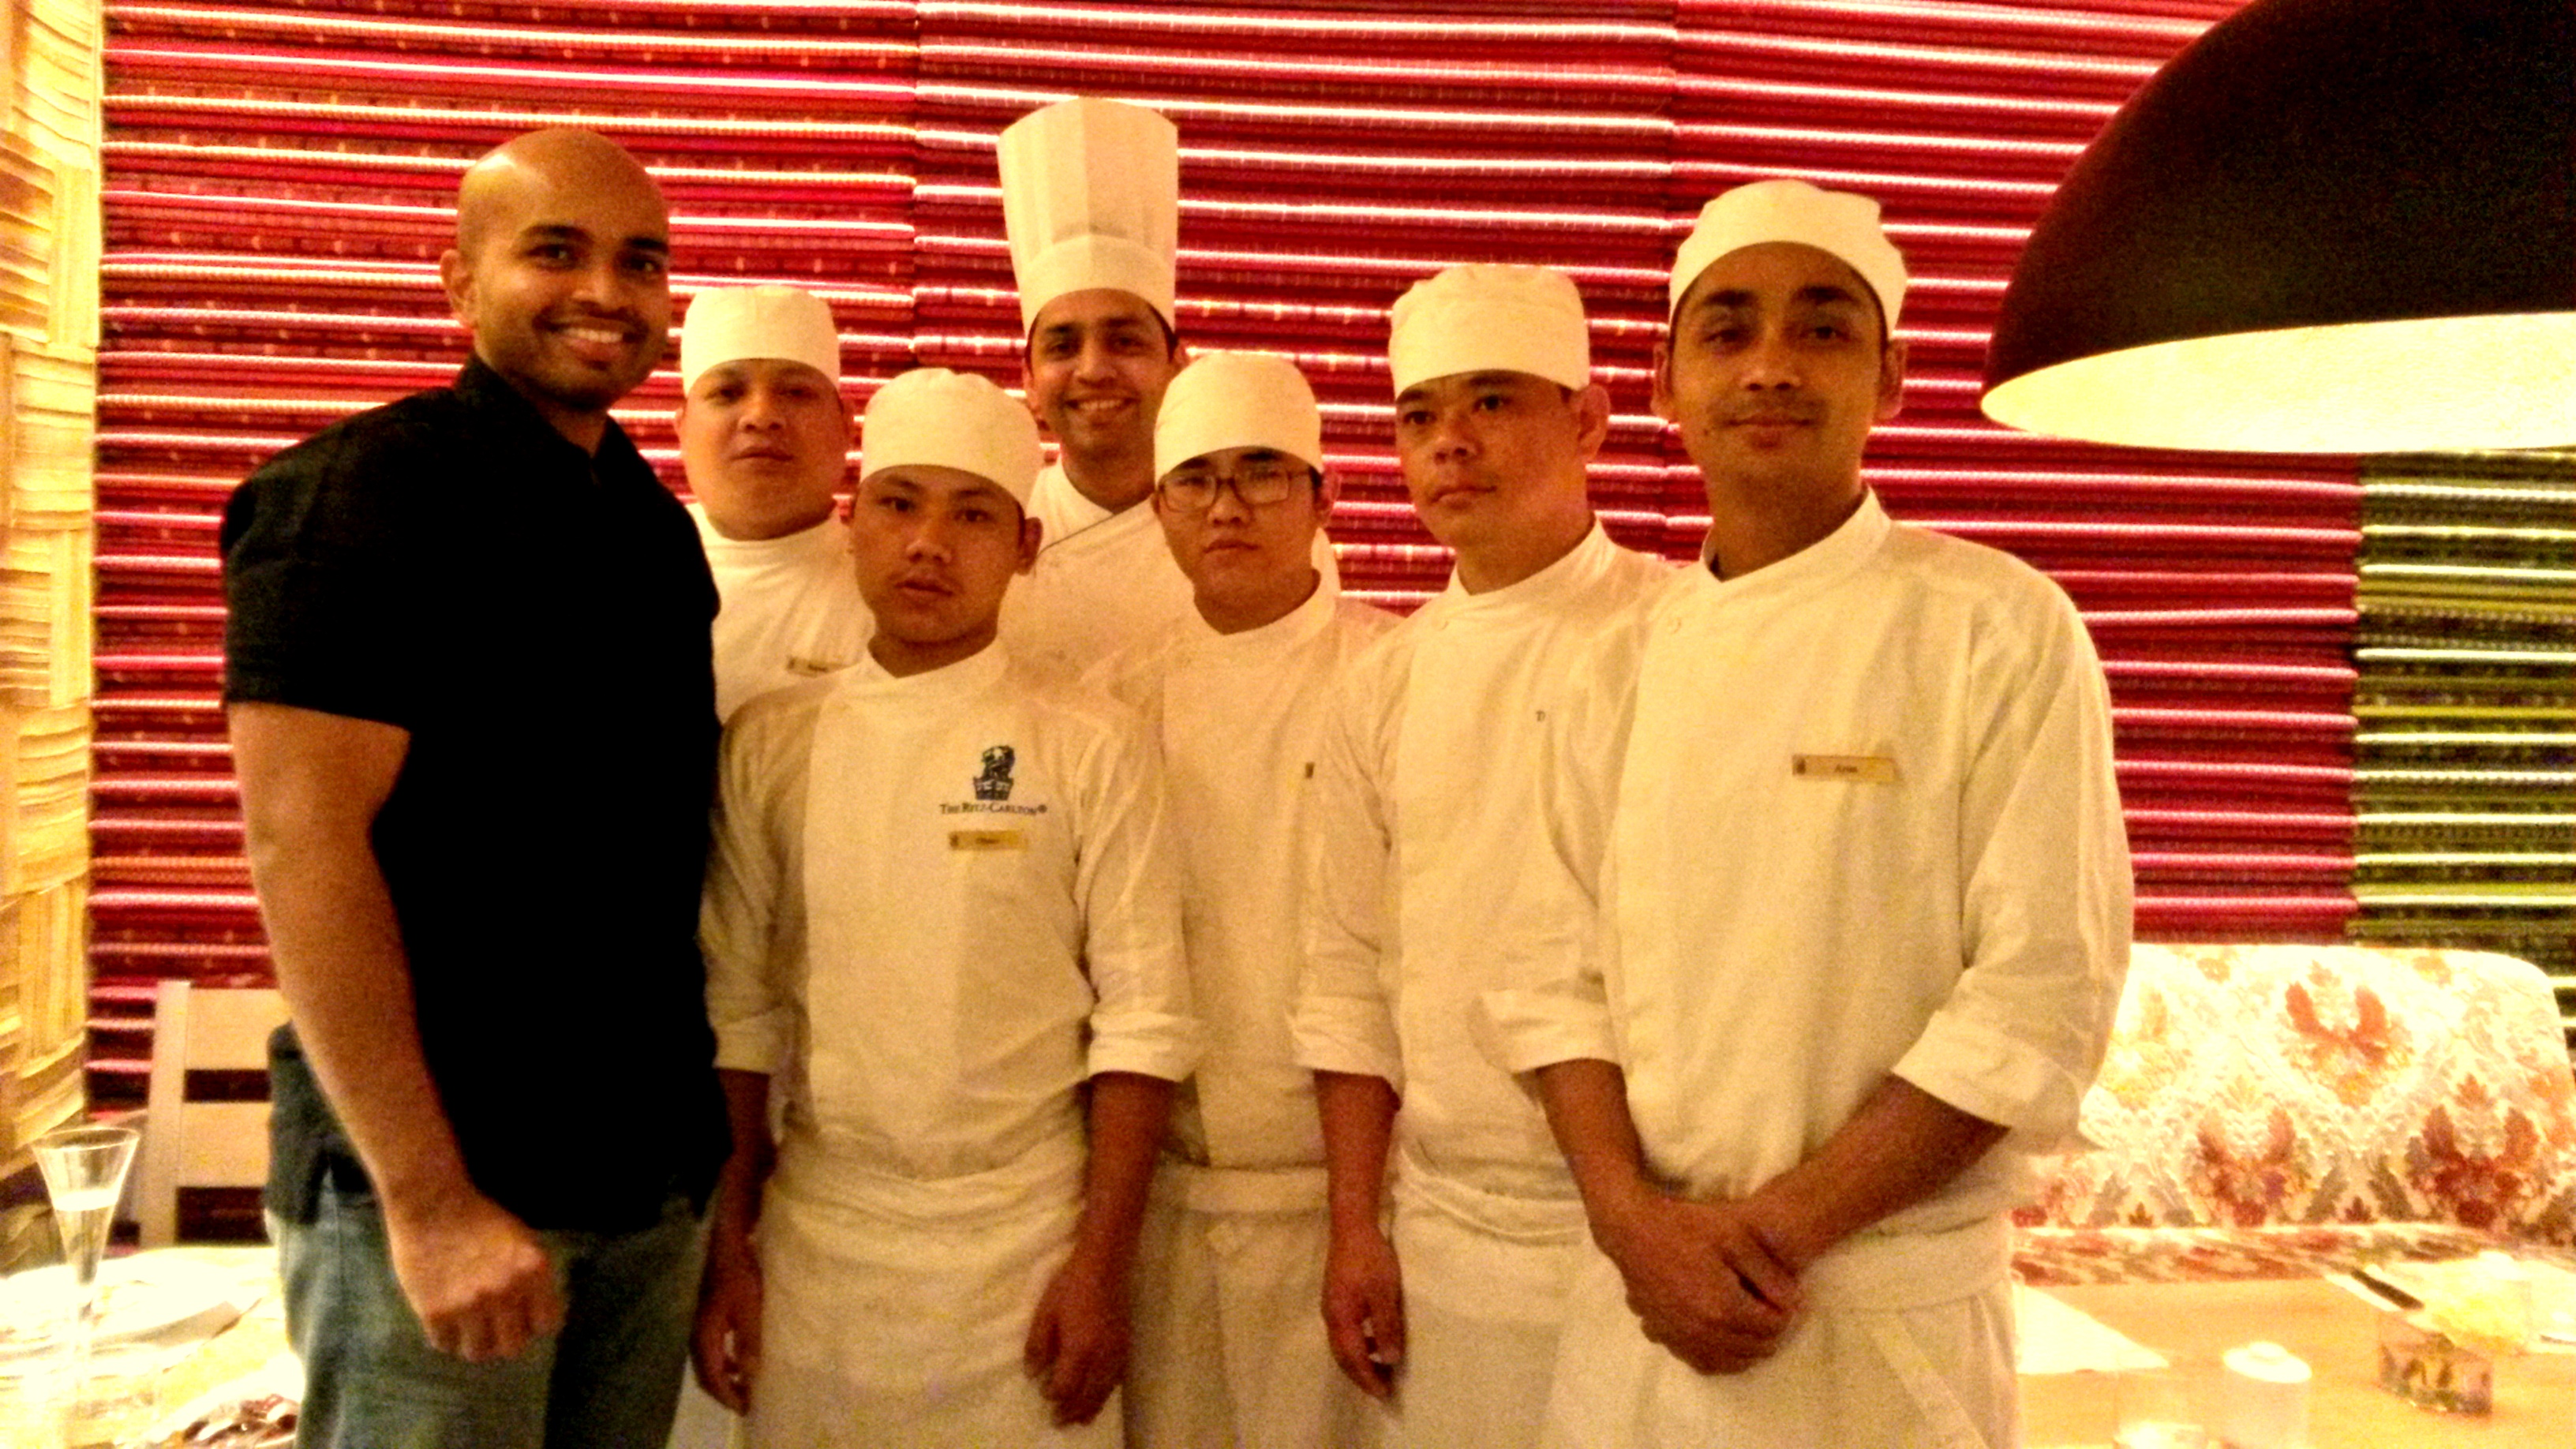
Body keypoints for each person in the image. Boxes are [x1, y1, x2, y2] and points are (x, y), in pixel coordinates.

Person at [1482, 178, 2133, 1447]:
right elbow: (1550, 977)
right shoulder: (1613, 664)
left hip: (1875, 1318)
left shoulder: (1997, 627)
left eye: (1822, 327)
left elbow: (2038, 993)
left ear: (1890, 379)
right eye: (1727, 328)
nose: (1770, 365)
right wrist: (1631, 1224)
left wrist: (1768, 1238)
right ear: (1666, 385)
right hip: (1638, 1307)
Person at [219, 127, 728, 1448]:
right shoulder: (360, 495)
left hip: (642, 1181)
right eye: (556, 252)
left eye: (640, 262)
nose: (604, 292)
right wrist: (430, 1202)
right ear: (460, 282)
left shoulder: (651, 529)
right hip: (453, 1191)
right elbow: (302, 847)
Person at [692, 366, 1201, 1447]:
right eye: (900, 504)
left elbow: (1145, 1018)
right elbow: (737, 1014)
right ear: (854, 524)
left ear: (1024, 546)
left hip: (1027, 1247)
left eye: (972, 514)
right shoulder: (775, 741)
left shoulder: (1091, 741)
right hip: (820, 1242)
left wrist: (1100, 1268)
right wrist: (730, 1249)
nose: (929, 544)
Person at [1290, 264, 1669, 1448]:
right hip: (1448, 1232)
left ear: (1589, 420)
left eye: (1493, 401)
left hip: (1662, 1223)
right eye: (1421, 415)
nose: (1451, 442)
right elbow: (1347, 973)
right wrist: (1357, 1226)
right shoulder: (1384, 683)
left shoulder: (1682, 634)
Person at [1088, 351, 1396, 1449]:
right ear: (1159, 509)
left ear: (1325, 496)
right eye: (1196, 479)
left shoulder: (1397, 675)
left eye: (1262, 472)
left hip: (1357, 1205)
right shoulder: (1110, 705)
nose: (1227, 507)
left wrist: (1362, 1218)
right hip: (1166, 1208)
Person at [990, 95, 1197, 677]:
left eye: (1125, 341)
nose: (1093, 369)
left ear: (1178, 366)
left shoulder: (1242, 530)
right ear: (1029, 383)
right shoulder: (992, 531)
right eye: (1062, 346)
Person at [676, 283, 867, 721]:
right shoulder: (612, 571)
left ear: (846, 425)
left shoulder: (894, 594)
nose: (761, 416)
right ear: (681, 428)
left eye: (796, 392)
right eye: (727, 393)